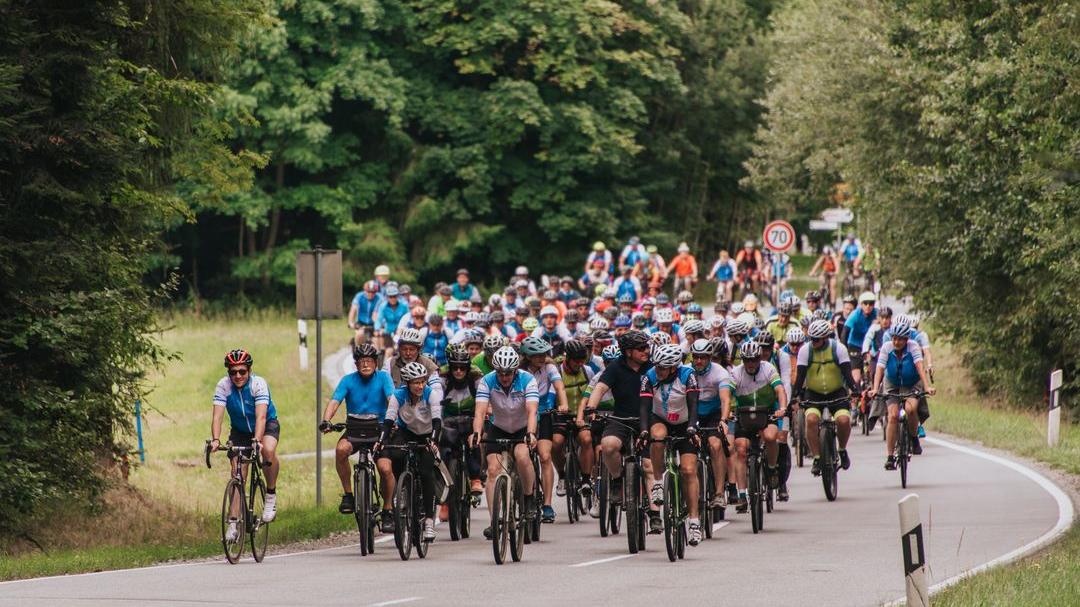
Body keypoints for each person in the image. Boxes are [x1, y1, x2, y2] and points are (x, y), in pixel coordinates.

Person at [319, 344, 397, 531]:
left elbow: (391, 399)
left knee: (385, 469)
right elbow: (335, 401)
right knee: (340, 450)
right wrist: (326, 420)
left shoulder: (384, 378)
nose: (365, 365)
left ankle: (387, 510)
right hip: (354, 429)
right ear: (356, 364)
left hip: (378, 430)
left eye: (369, 361)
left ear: (376, 363)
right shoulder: (348, 380)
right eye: (361, 361)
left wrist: (393, 419)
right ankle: (348, 495)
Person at [585, 330, 657, 530]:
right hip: (622, 417)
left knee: (649, 465)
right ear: (628, 352)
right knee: (608, 446)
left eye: (647, 347)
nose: (646, 351)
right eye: (641, 348)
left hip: (649, 419)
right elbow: (599, 388)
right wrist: (591, 408)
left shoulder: (652, 367)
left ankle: (655, 512)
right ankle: (617, 479)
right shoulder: (615, 368)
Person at [469, 347, 539, 539]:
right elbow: (480, 411)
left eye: (508, 373)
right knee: (493, 470)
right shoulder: (487, 381)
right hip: (498, 427)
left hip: (523, 427)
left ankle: (529, 497)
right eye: (500, 373)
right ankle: (495, 521)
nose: (504, 377)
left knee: (522, 456)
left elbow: (532, 410)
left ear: (515, 370)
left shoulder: (527, 379)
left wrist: (531, 433)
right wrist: (476, 433)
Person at [211, 349, 281, 539]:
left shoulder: (258, 384)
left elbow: (261, 416)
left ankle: (271, 495)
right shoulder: (224, 386)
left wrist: (257, 441)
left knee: (267, 450)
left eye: (242, 371)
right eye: (233, 372)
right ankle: (233, 524)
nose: (238, 376)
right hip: (240, 431)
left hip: (266, 425)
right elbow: (217, 416)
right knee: (237, 475)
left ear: (249, 370)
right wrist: (216, 439)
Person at [639, 343, 703, 545]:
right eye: (656, 366)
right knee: (656, 436)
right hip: (661, 418)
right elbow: (644, 407)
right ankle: (658, 482)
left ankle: (694, 522)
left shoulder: (687, 375)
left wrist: (692, 427)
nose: (657, 371)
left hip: (685, 422)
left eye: (662, 368)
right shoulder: (649, 376)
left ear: (674, 367)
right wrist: (643, 429)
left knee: (688, 470)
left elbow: (694, 405)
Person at [380, 361, 442, 541]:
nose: (420, 386)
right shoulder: (398, 395)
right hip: (406, 432)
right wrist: (382, 440)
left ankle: (429, 521)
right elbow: (389, 420)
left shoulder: (431, 394)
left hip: (428, 433)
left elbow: (437, 421)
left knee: (425, 472)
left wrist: (434, 440)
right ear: (407, 383)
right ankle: (403, 491)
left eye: (422, 381)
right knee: (396, 454)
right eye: (416, 382)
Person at [791, 320, 859, 476]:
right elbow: (800, 377)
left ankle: (842, 449)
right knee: (811, 420)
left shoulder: (838, 348)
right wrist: (794, 397)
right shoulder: (805, 351)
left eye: (816, 339)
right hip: (813, 393)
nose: (812, 342)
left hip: (837, 392)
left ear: (825, 338)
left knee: (843, 420)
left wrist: (855, 390)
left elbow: (848, 374)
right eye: (811, 338)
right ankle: (816, 457)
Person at [728, 340, 787, 511]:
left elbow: (780, 390)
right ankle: (741, 494)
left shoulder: (768, 368)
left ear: (759, 359)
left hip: (766, 412)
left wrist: (782, 408)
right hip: (744, 415)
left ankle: (772, 468)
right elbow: (726, 394)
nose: (751, 364)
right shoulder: (736, 373)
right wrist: (727, 412)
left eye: (754, 360)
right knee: (740, 448)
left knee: (770, 436)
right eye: (747, 360)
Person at [868, 321, 936, 469]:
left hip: (912, 383)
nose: (896, 342)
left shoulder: (913, 347)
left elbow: (920, 368)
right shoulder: (887, 347)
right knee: (892, 416)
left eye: (900, 339)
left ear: (906, 339)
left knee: (910, 409)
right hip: (892, 383)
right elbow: (879, 369)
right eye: (894, 338)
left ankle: (913, 438)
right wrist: (874, 388)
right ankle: (890, 457)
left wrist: (927, 387)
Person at [520, 336, 568, 523]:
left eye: (543, 354)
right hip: (523, 415)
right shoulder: (519, 371)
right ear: (527, 356)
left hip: (545, 413)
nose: (542, 358)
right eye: (536, 355)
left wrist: (562, 404)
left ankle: (547, 505)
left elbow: (559, 387)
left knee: (545, 457)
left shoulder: (550, 367)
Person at [689, 339, 733, 510]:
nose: (699, 361)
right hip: (693, 412)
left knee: (715, 445)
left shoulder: (719, 372)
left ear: (709, 357)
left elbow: (725, 399)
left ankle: (720, 493)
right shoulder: (687, 371)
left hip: (714, 413)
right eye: (696, 357)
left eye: (703, 357)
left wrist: (723, 420)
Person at [439, 345, 485, 504]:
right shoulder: (442, 377)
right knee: (443, 449)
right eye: (455, 368)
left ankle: (475, 479)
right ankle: (445, 494)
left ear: (467, 368)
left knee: (474, 442)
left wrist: (487, 410)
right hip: (449, 419)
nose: (458, 371)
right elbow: (435, 399)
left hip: (470, 418)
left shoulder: (476, 378)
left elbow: (484, 398)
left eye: (462, 368)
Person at [843, 291, 878, 391]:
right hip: (854, 345)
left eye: (871, 303)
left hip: (869, 346)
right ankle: (854, 398)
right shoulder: (855, 314)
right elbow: (845, 332)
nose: (868, 306)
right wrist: (844, 350)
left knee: (872, 373)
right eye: (865, 303)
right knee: (856, 378)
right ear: (861, 304)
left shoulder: (877, 313)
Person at [374, 285, 409, 352]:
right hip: (388, 332)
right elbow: (379, 319)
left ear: (397, 296)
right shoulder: (383, 306)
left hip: (402, 332)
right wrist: (377, 329)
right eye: (390, 296)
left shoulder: (404, 306)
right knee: (388, 350)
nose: (393, 298)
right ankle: (381, 358)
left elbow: (408, 318)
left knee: (401, 350)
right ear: (387, 297)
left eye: (394, 296)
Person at [348, 280, 383, 346]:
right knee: (359, 335)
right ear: (365, 290)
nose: (371, 294)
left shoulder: (380, 298)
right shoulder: (359, 296)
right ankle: (358, 351)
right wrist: (351, 322)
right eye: (368, 291)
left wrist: (379, 326)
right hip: (361, 323)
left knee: (377, 343)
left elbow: (379, 313)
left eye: (373, 292)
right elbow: (353, 309)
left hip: (374, 324)